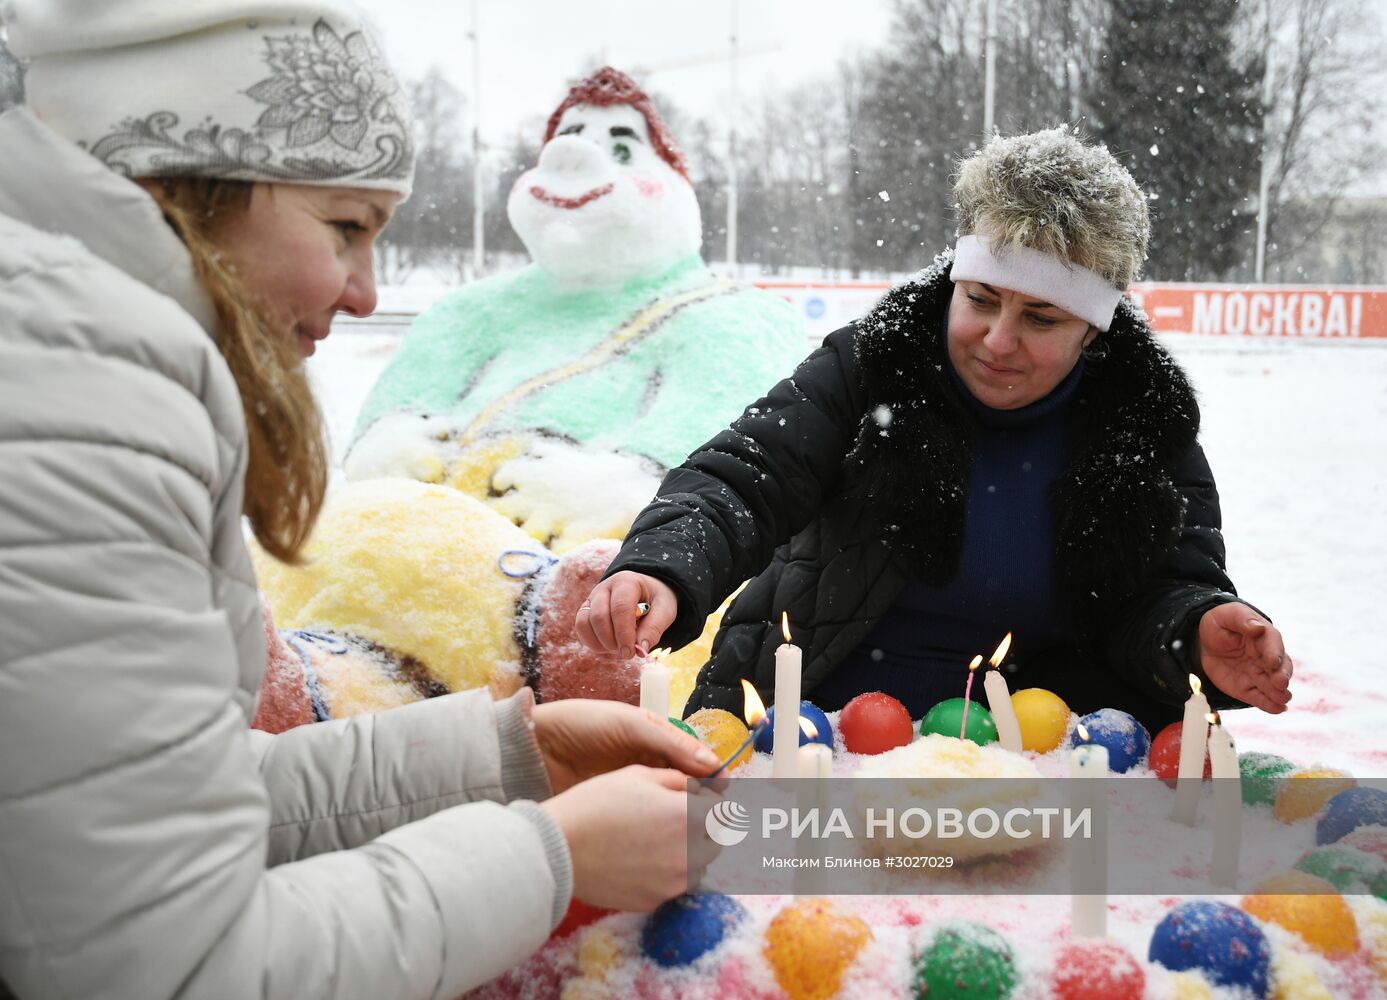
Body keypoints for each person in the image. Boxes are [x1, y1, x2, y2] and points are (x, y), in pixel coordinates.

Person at [0, 3, 719, 998]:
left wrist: (508, 759)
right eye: (345, 228)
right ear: (191, 184)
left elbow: (144, 805)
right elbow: (169, 965)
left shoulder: (70, 361)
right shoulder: (78, 405)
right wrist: (550, 855)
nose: (368, 294)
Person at [576, 126, 1293, 736]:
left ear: (1092, 330)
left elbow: (1165, 591)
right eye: (979, 299)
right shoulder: (871, 367)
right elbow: (744, 476)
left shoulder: (1142, 423)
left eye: (1041, 318)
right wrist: (664, 563)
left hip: (1045, 756)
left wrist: (1195, 633)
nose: (996, 339)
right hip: (820, 728)